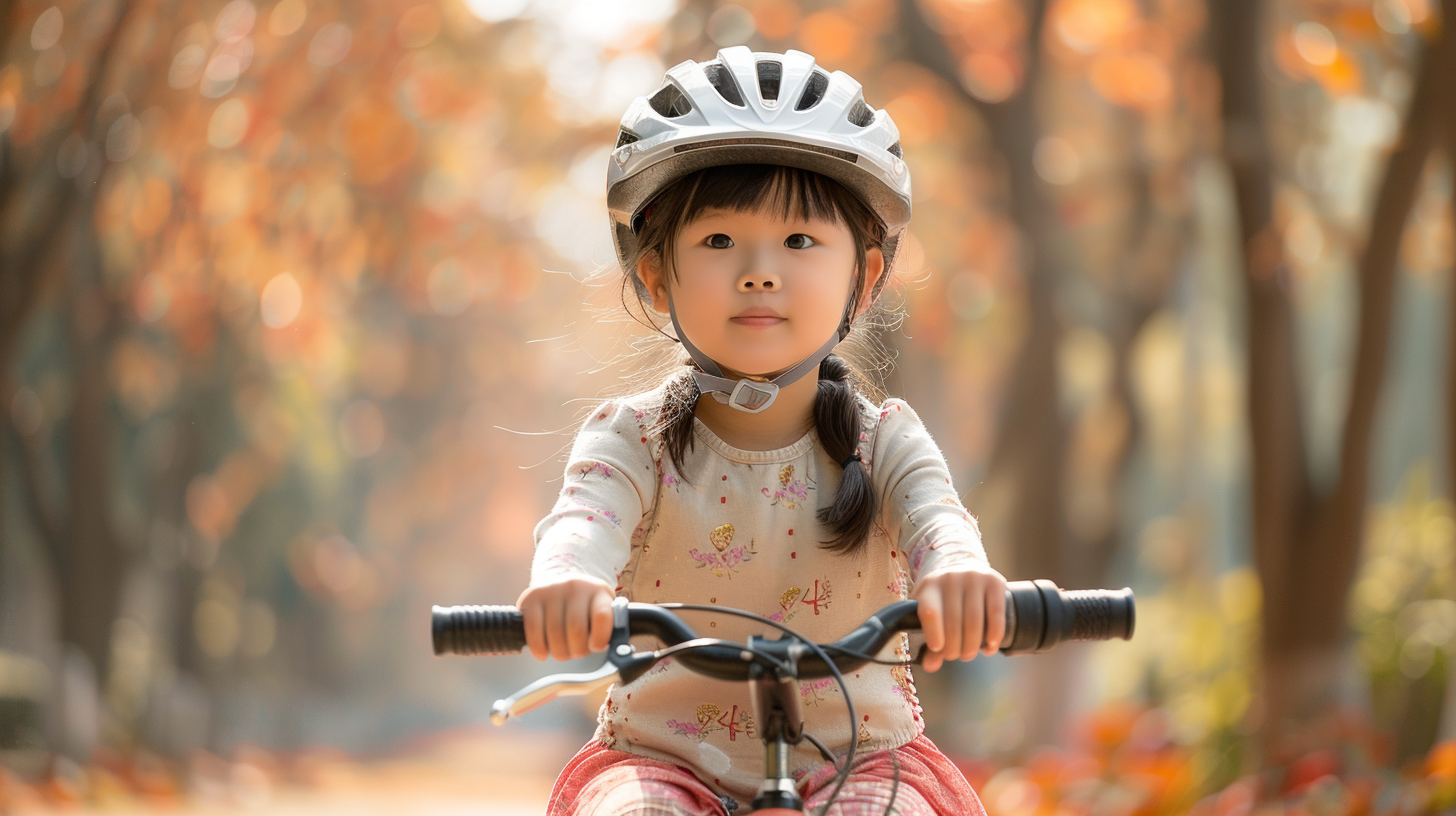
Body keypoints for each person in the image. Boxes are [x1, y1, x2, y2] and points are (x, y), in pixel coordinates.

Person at [520, 46, 1007, 815]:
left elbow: (938, 519)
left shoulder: (886, 444)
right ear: (655, 276)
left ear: (866, 277)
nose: (759, 272)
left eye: (800, 241)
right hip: (664, 762)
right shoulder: (633, 442)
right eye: (717, 241)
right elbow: (583, 522)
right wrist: (567, 582)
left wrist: (955, 572)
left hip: (864, 757)